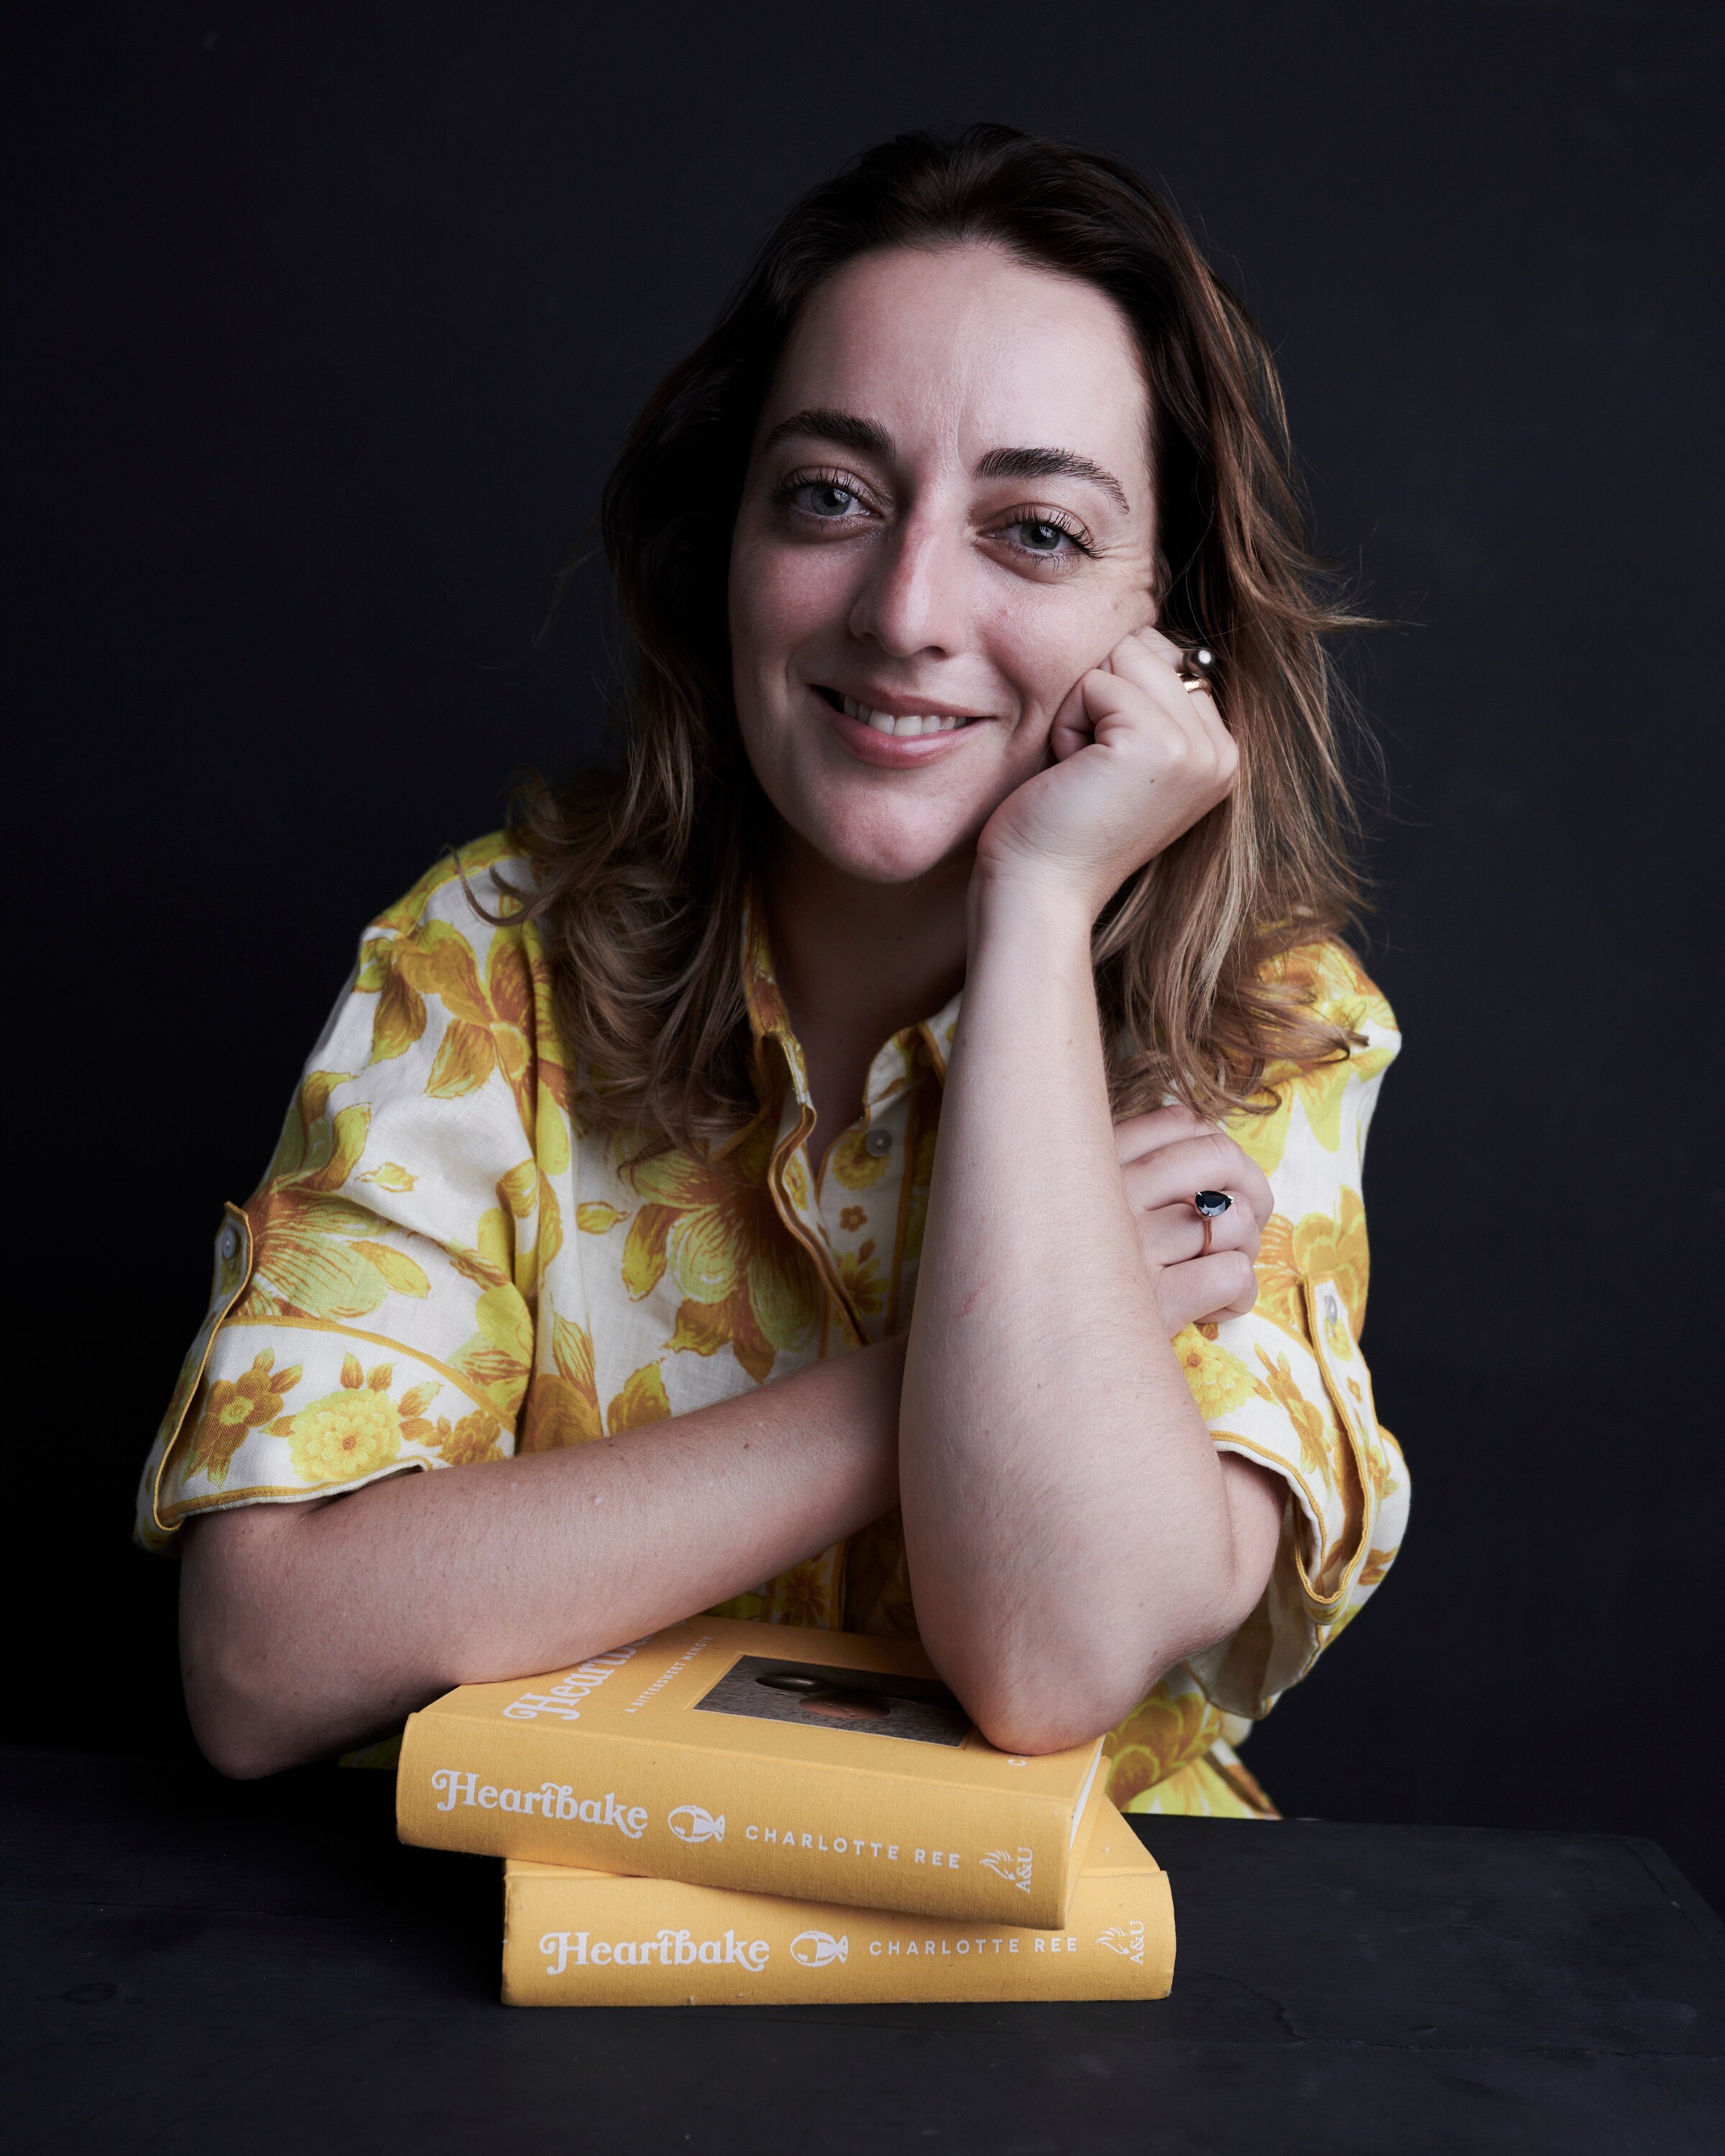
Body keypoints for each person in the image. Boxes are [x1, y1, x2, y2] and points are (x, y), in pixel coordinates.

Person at [139, 126, 1407, 1815]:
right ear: (722, 542)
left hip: (1075, 2040)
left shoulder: (1267, 1036)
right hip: (524, 2004)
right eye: (831, 495)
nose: (903, 610)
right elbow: (259, 1657)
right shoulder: (486, 966)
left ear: (1168, 622)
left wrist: (1037, 902)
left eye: (1034, 531)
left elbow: (1049, 1659)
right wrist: (932, 1386)